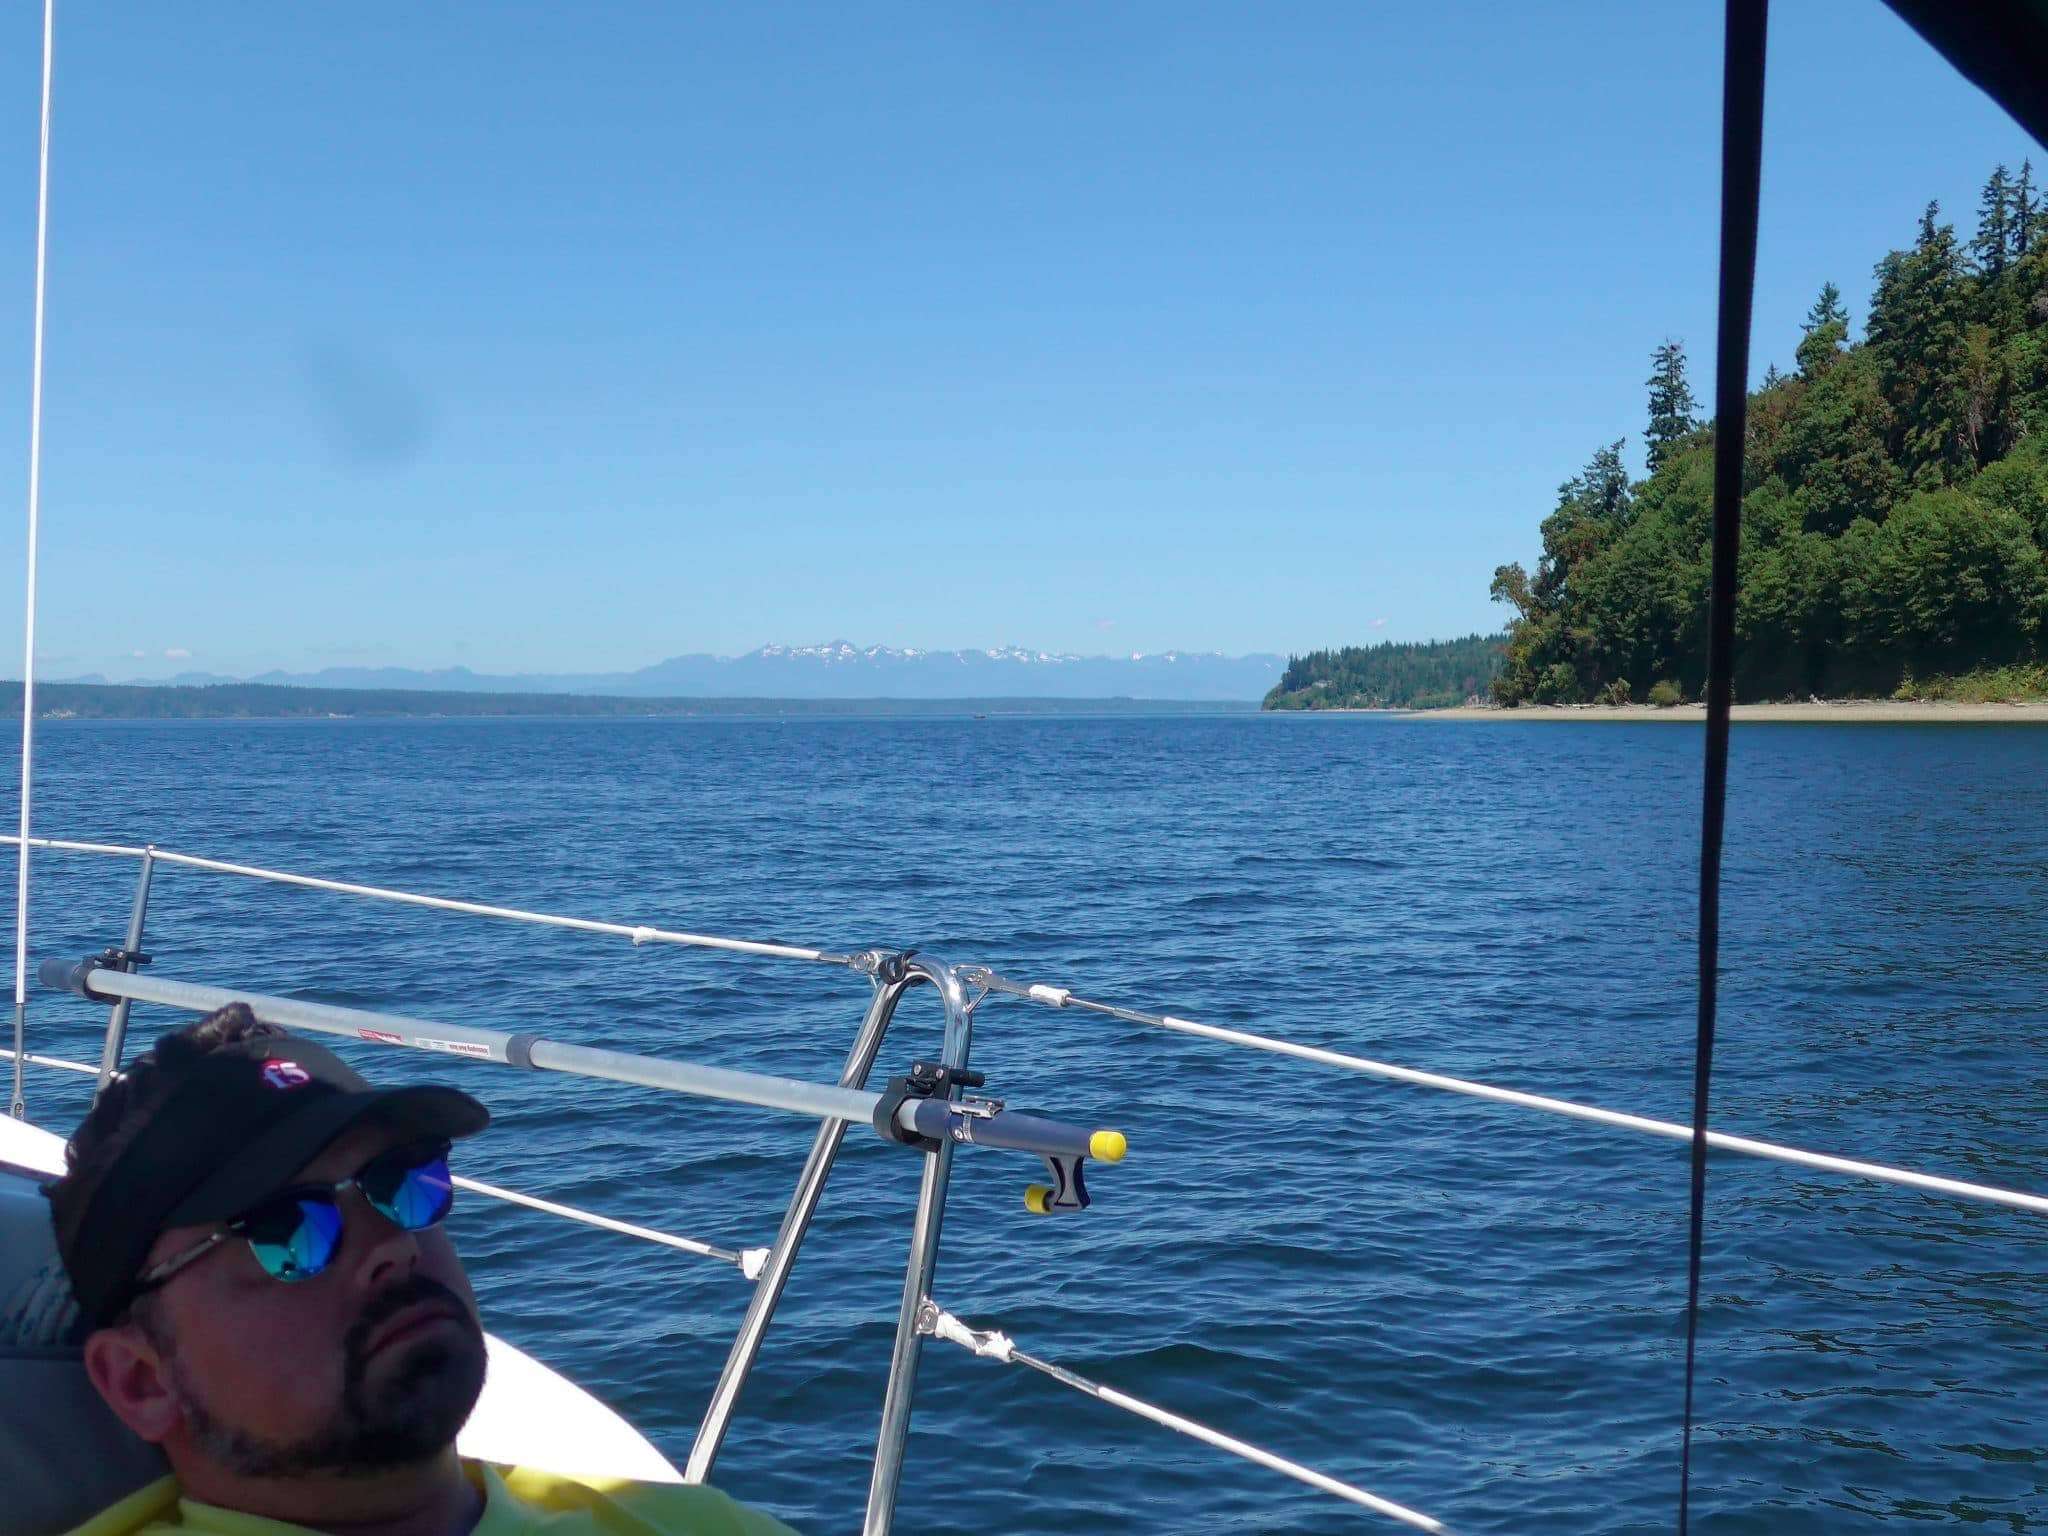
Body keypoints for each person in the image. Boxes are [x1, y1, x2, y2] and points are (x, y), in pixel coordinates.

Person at [44, 1003, 800, 1536]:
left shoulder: (700, 1523)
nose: (393, 1249)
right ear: (143, 1380)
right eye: (288, 1229)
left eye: (403, 1183)